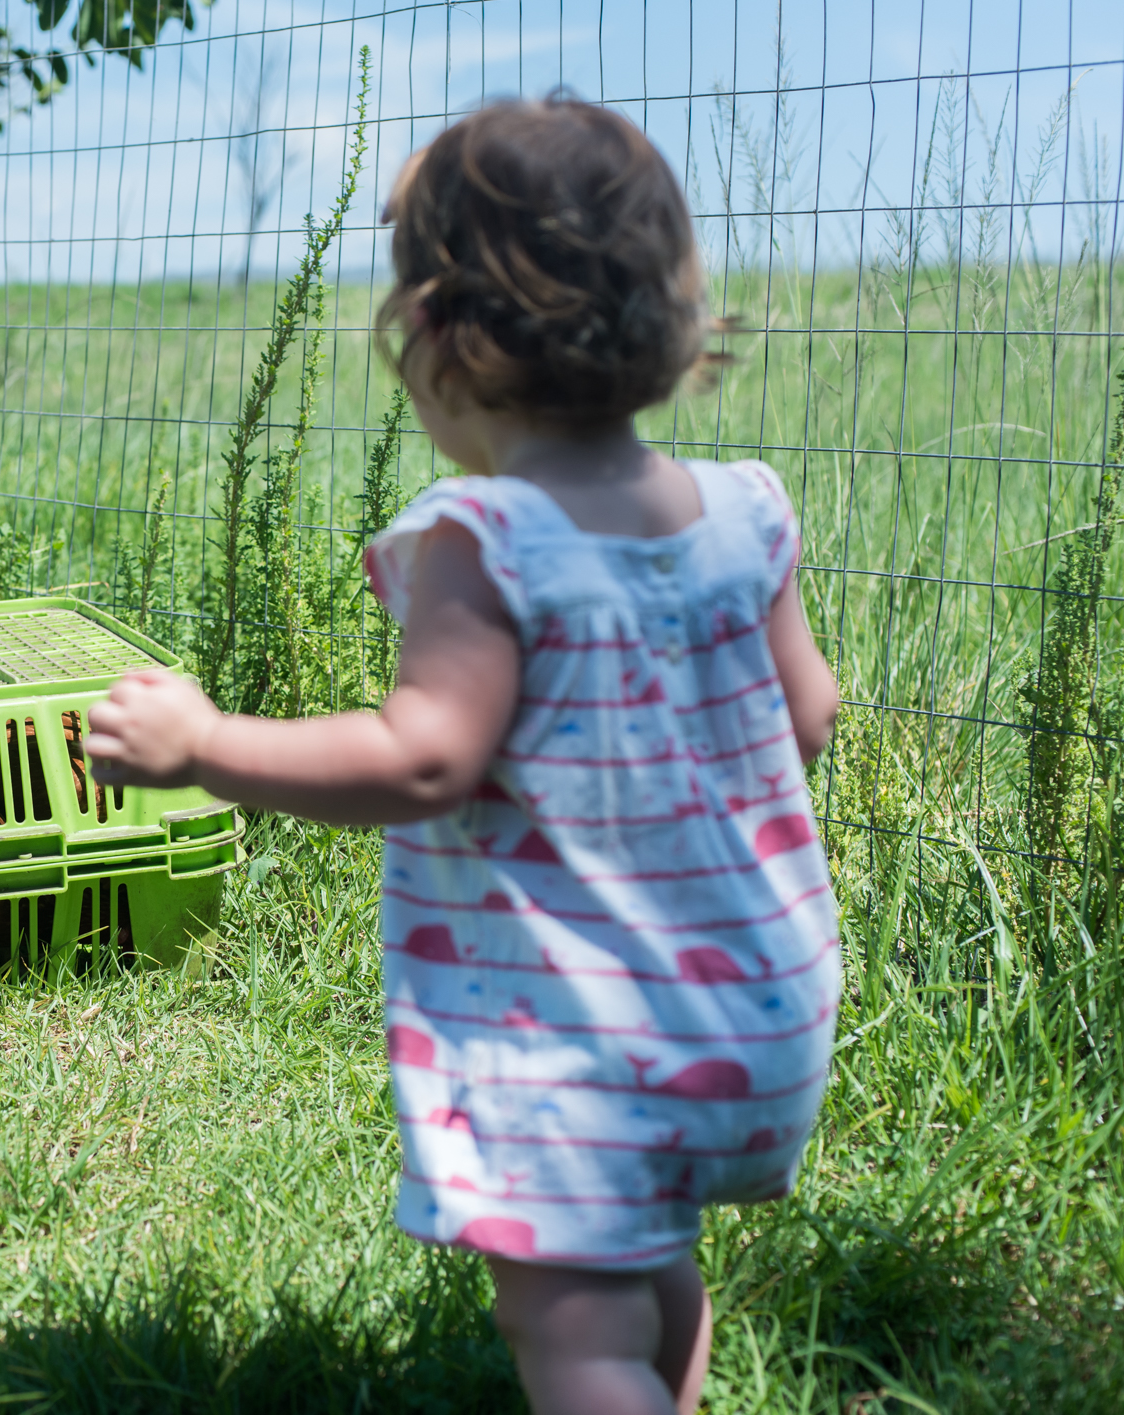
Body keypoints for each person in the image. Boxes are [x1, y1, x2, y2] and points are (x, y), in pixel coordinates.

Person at [83, 94, 841, 1415]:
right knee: (648, 1270)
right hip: (756, 1009)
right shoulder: (745, 513)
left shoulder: (485, 538)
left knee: (574, 1329)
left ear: (437, 334)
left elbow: (423, 757)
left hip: (583, 1042)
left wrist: (204, 744)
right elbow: (810, 718)